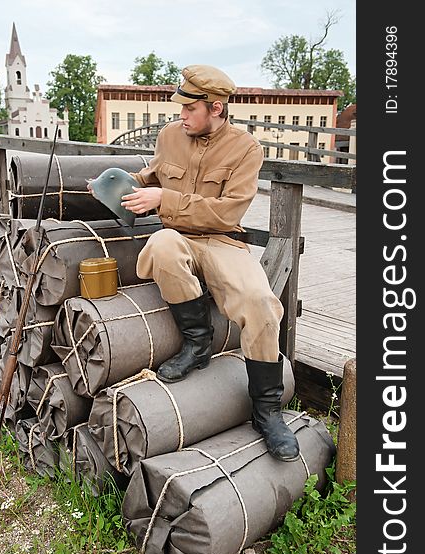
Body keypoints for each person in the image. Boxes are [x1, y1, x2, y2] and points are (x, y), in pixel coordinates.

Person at [118, 64, 299, 462]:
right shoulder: (170, 135)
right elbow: (151, 179)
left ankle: (267, 412)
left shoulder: (246, 150)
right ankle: (197, 344)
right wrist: (117, 184)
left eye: (189, 108)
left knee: (261, 305)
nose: (180, 115)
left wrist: (165, 199)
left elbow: (226, 214)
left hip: (221, 241)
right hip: (177, 238)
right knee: (162, 243)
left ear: (216, 107)